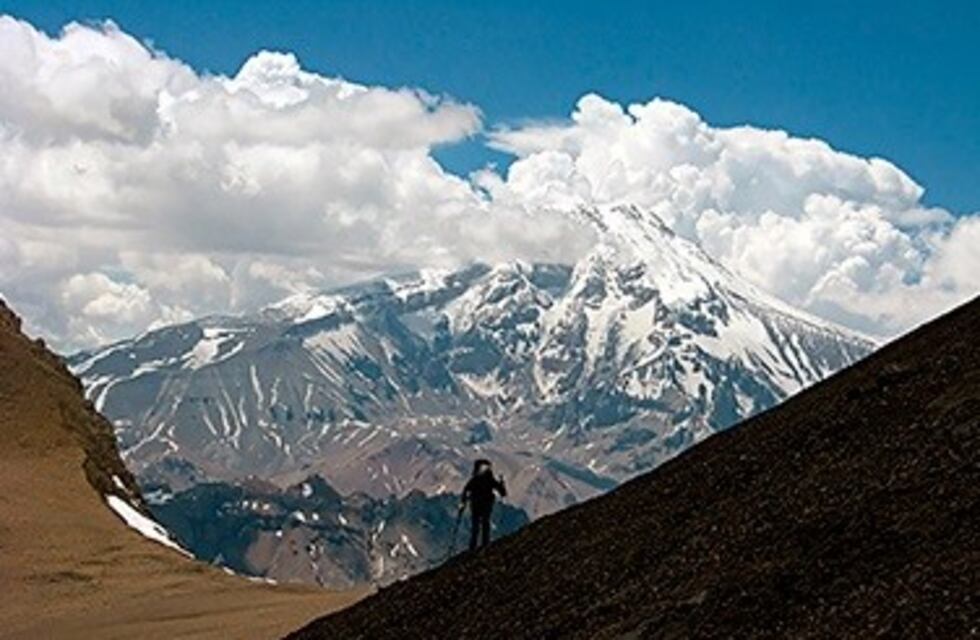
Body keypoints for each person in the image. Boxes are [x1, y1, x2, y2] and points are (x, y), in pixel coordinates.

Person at [460, 458, 506, 551]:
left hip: (476, 504)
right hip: (486, 504)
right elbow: (503, 493)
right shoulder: (489, 479)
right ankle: (485, 544)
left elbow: (466, 490)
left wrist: (463, 502)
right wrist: (502, 483)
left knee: (475, 526)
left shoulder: (475, 479)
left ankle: (472, 547)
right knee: (485, 523)